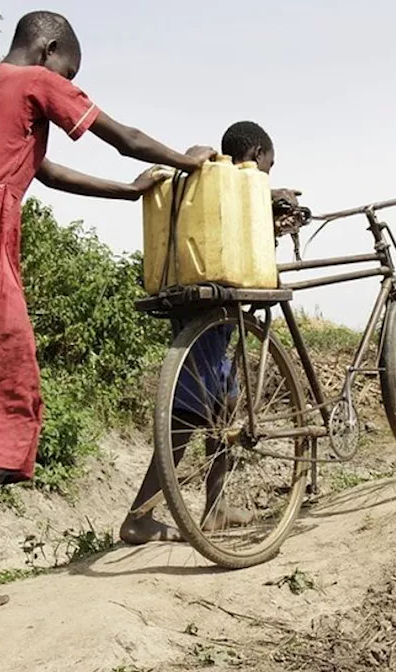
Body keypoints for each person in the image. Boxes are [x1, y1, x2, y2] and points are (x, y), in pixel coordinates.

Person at [0, 10, 216, 628]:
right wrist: (189, 164)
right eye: (70, 70)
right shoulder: (35, 81)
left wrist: (129, 192)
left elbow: (44, 172)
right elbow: (124, 136)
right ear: (51, 49)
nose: (68, 81)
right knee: (11, 402)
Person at [119, 120, 300, 545]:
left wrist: (269, 200)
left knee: (226, 400)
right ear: (256, 155)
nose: (266, 176)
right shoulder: (215, 177)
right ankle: (138, 518)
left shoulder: (221, 190)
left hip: (208, 305)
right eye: (267, 167)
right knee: (189, 412)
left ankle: (216, 505)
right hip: (208, 306)